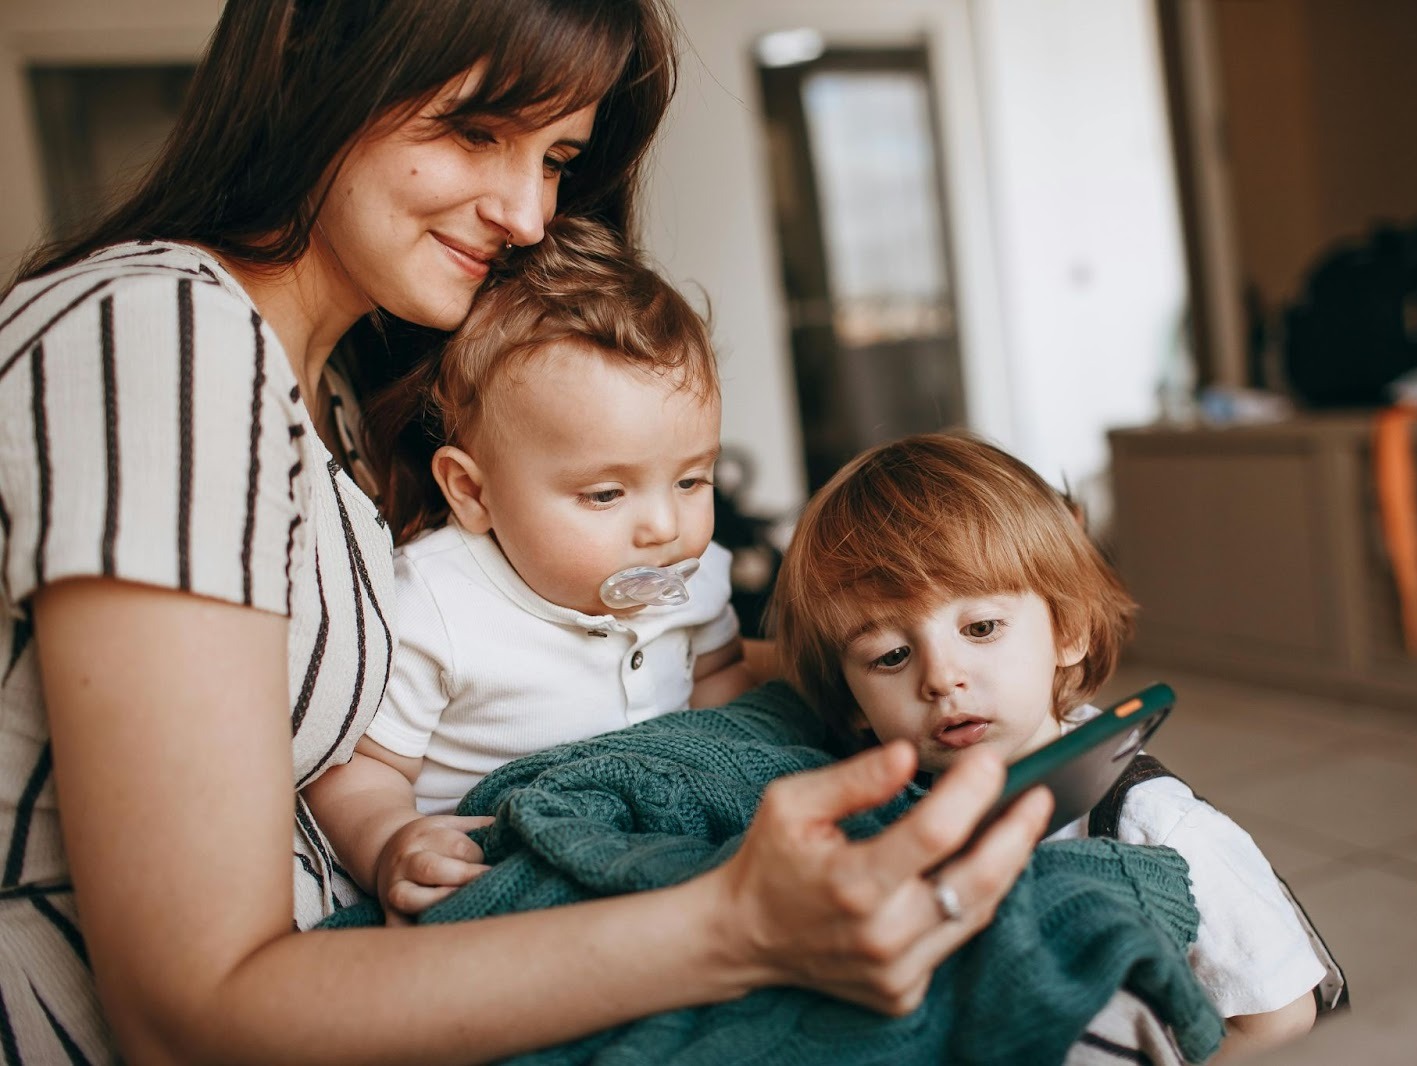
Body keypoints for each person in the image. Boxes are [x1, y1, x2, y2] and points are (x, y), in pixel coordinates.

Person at [0, 2, 1049, 1061]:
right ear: (318, 76)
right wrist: (738, 928)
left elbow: (673, 662)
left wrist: (920, 673)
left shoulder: (341, 408)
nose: (527, 213)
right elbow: (188, 1015)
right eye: (475, 132)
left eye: (556, 157)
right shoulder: (161, 336)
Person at [770, 431, 1329, 1060]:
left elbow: (1278, 1015)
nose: (940, 677)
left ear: (1068, 631)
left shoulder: (1154, 825)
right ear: (852, 704)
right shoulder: (890, 812)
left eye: (981, 628)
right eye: (891, 656)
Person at [305, 217, 754, 919]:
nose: (665, 528)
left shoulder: (698, 577)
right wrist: (390, 841)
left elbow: (720, 680)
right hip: (509, 877)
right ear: (474, 493)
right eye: (605, 493)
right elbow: (360, 770)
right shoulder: (435, 606)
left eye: (693, 481)